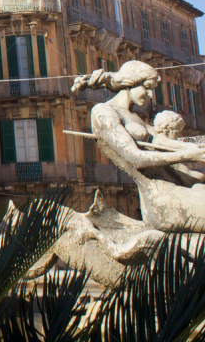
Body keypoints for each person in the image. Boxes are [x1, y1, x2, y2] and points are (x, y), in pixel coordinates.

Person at [72, 61, 205, 231]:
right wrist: (189, 155)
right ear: (130, 83)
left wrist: (197, 147)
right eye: (147, 87)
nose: (150, 94)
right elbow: (136, 158)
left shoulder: (135, 118)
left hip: (176, 188)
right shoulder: (103, 111)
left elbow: (169, 143)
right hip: (162, 199)